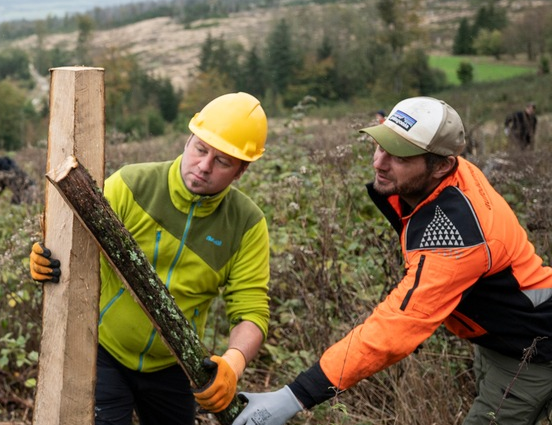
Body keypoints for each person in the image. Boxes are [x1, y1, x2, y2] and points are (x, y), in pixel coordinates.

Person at [234, 96, 552, 425]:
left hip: (529, 352)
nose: (378, 162)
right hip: (494, 336)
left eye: (399, 155)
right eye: (380, 145)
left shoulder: (457, 237)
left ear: (441, 165)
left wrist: (294, 395)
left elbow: (397, 326)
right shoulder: (448, 175)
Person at [30, 92, 271, 425]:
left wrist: (233, 362)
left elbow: (251, 311)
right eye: (200, 149)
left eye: (223, 161)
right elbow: (72, 240)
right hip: (104, 350)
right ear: (188, 140)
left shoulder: (247, 224)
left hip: (176, 364)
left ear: (241, 170)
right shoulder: (132, 185)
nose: (204, 166)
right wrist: (46, 257)